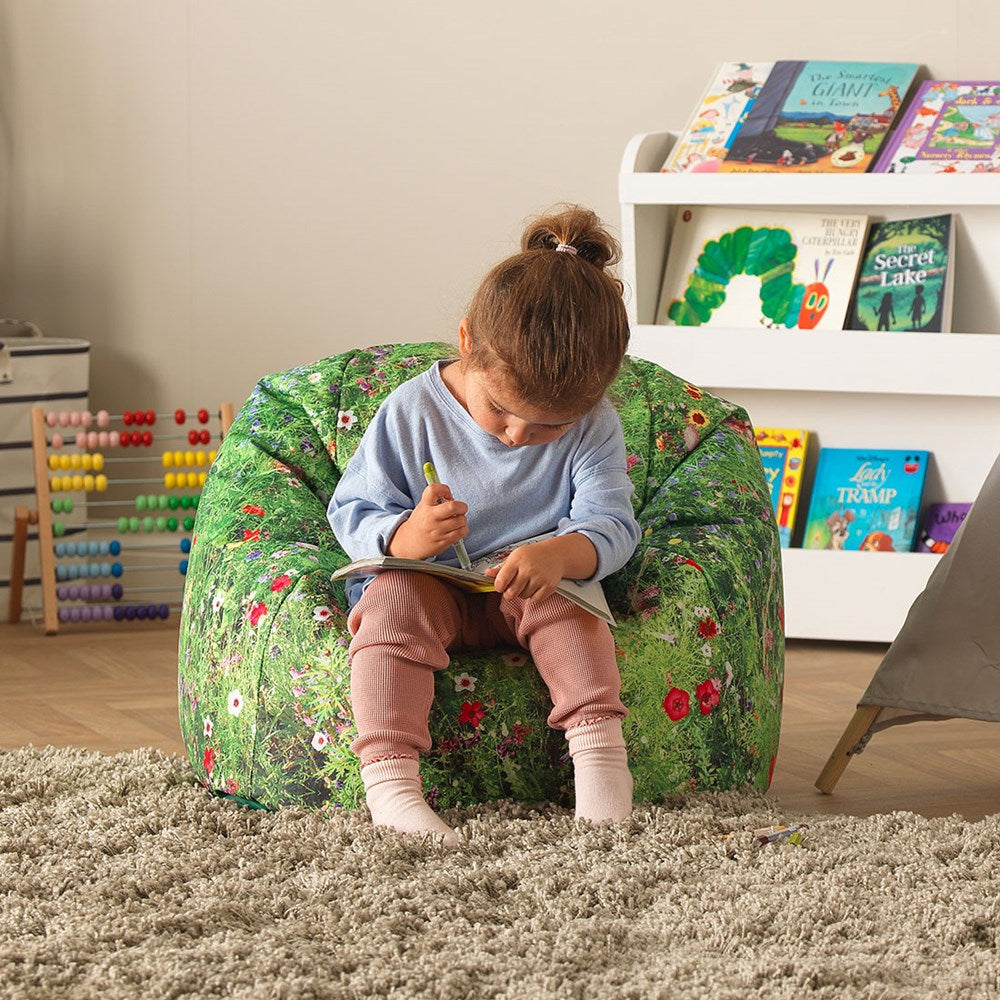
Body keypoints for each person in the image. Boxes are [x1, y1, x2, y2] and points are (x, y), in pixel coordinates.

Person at [327, 206, 640, 846]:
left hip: (527, 587)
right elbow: (351, 510)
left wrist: (563, 553)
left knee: (576, 612)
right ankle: (391, 784)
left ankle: (602, 766)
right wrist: (403, 537)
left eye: (548, 426)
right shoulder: (410, 411)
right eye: (499, 410)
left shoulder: (595, 423)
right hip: (428, 583)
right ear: (468, 343)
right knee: (389, 612)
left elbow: (613, 525)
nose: (520, 436)